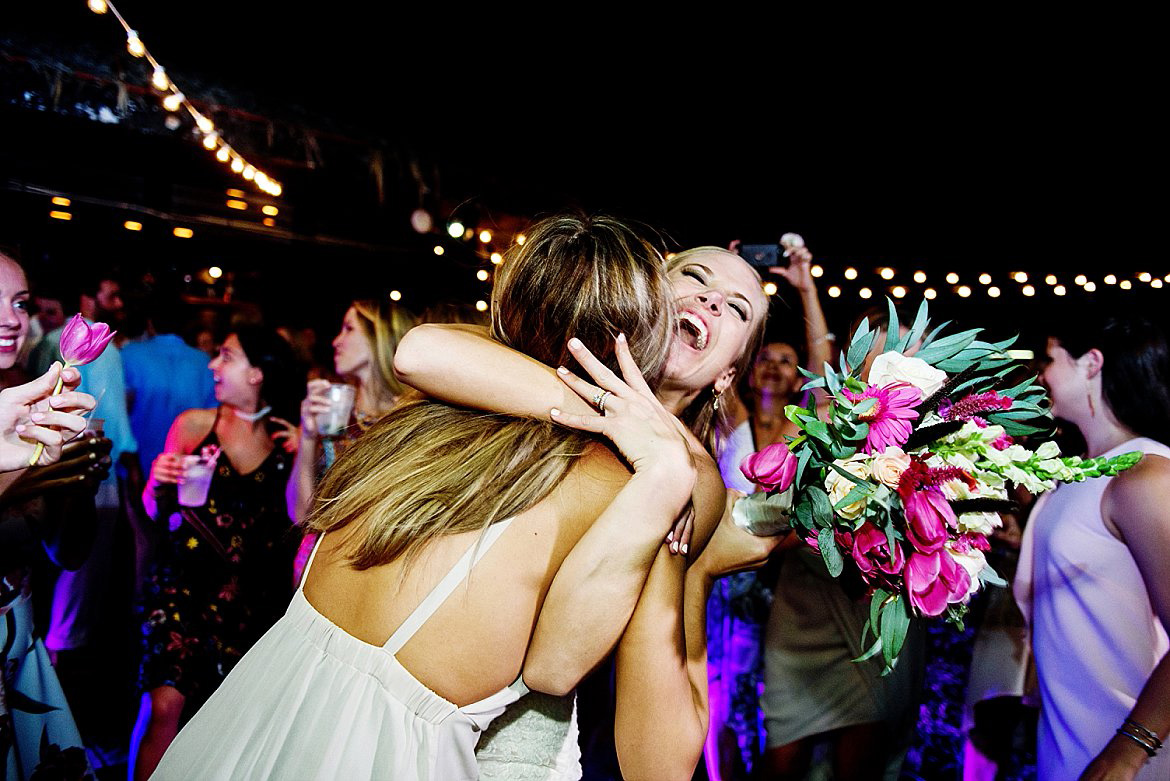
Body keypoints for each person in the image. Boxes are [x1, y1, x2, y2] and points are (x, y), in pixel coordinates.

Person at [149, 214, 715, 780]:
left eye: (732, 305)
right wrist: (659, 471)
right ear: (644, 333)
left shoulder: (416, 418)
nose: (705, 304)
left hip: (257, 706)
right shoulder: (619, 483)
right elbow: (581, 694)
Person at [392, 243, 785, 779]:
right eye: (695, 277)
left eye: (737, 308)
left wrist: (665, 466)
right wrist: (616, 413)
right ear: (645, 296)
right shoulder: (551, 362)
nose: (712, 301)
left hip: (501, 738)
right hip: (384, 689)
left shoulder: (690, 479)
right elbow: (418, 353)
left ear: (727, 373)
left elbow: (653, 754)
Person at [129, 326, 303, 780]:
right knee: (165, 703)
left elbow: (303, 521)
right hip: (179, 585)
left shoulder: (288, 445)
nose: (212, 365)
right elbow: (154, 513)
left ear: (257, 374)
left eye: (226, 356)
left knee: (222, 714)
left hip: (249, 601)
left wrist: (311, 450)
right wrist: (156, 483)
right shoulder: (192, 425)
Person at [1015, 311, 1170, 780]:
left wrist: (1128, 752)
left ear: (1091, 363)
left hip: (1130, 756)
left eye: (1050, 359)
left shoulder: (1142, 475)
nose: (1041, 374)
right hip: (1069, 741)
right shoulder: (1080, 473)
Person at [1, 249, 109, 780]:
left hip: (16, 642)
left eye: (20, 302)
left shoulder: (39, 410)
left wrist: (77, 484)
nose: (11, 320)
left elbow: (66, 553)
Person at [283, 296, 417, 525]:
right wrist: (307, 436)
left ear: (379, 336)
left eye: (349, 329)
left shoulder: (408, 418)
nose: (336, 341)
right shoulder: (334, 412)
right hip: (318, 553)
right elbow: (300, 515)